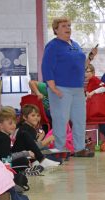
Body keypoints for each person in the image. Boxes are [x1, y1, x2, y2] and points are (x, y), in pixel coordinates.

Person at [41, 16, 96, 157]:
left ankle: (79, 149)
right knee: (61, 120)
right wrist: (53, 88)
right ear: (56, 29)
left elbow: (81, 66)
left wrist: (90, 58)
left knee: (79, 120)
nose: (68, 28)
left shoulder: (75, 45)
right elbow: (47, 67)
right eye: (64, 26)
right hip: (60, 88)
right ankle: (60, 149)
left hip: (78, 89)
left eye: (69, 26)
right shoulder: (53, 46)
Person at [12, 104, 60, 169]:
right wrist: (45, 141)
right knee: (58, 160)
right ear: (25, 117)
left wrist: (41, 140)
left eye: (38, 115)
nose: (36, 118)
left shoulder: (28, 128)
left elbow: (32, 145)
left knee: (54, 156)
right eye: (33, 115)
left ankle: (38, 162)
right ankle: (37, 162)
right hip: (24, 156)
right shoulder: (25, 129)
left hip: (29, 155)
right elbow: (33, 147)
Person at [85, 64, 105, 151]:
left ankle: (87, 140)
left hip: (93, 111)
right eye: (84, 72)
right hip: (95, 111)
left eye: (87, 71)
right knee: (101, 120)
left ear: (93, 72)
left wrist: (93, 92)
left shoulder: (94, 79)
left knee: (77, 120)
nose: (85, 74)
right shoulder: (90, 81)